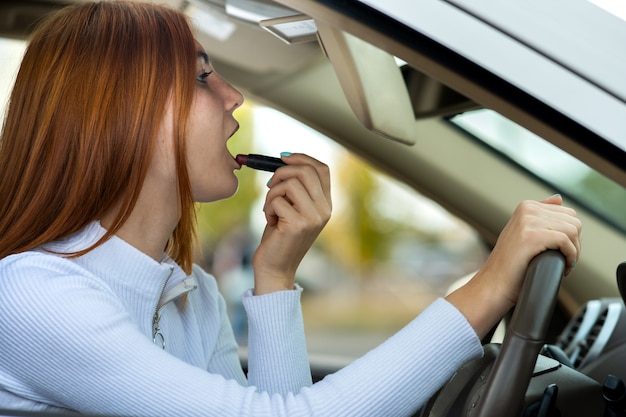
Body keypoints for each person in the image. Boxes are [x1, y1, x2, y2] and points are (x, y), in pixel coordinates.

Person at [0, 1, 581, 416]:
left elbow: (274, 409)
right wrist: (488, 289)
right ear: (124, 115)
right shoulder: (34, 295)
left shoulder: (191, 294)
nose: (234, 96)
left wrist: (274, 277)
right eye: (203, 77)